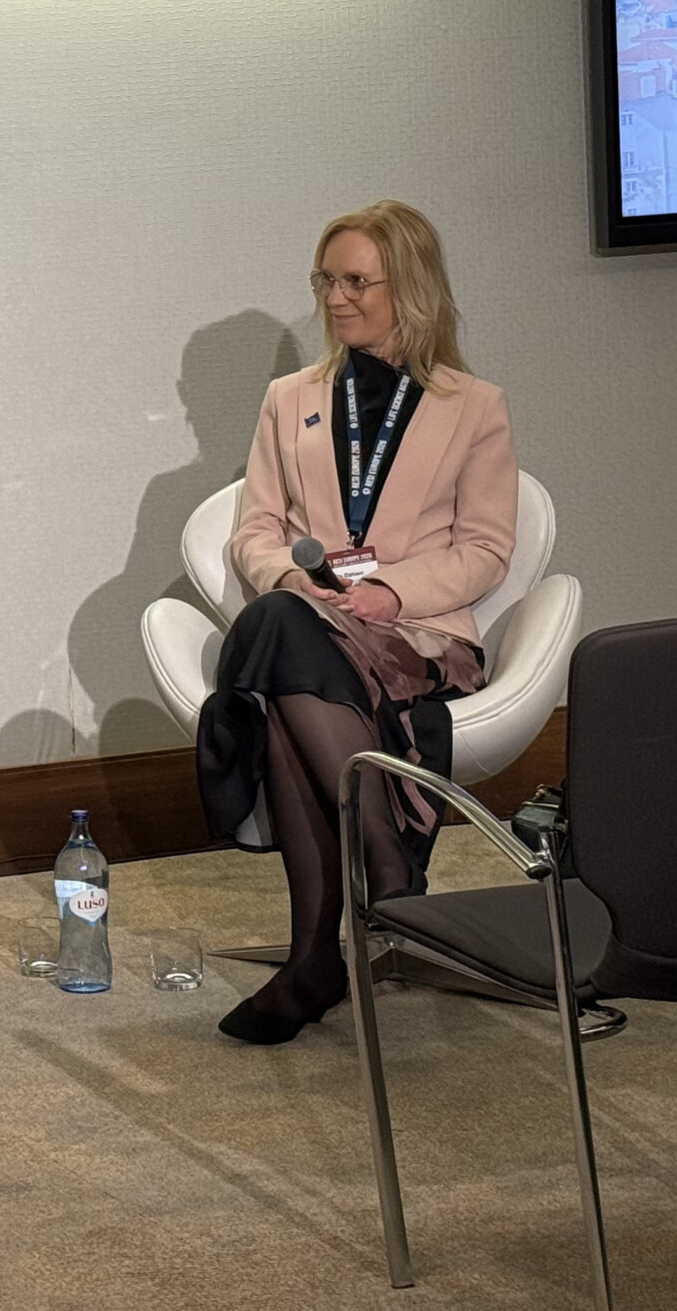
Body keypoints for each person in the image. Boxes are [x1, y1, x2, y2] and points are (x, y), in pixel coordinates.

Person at [195, 202, 516, 1045]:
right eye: (325, 280)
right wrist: (301, 582)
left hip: (417, 635)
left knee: (276, 676)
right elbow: (255, 532)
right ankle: (386, 861)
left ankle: (313, 959)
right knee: (283, 625)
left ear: (408, 287)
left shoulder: (474, 406)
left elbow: (486, 549)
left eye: (354, 281)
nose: (334, 298)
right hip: (315, 619)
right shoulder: (290, 398)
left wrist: (389, 594)